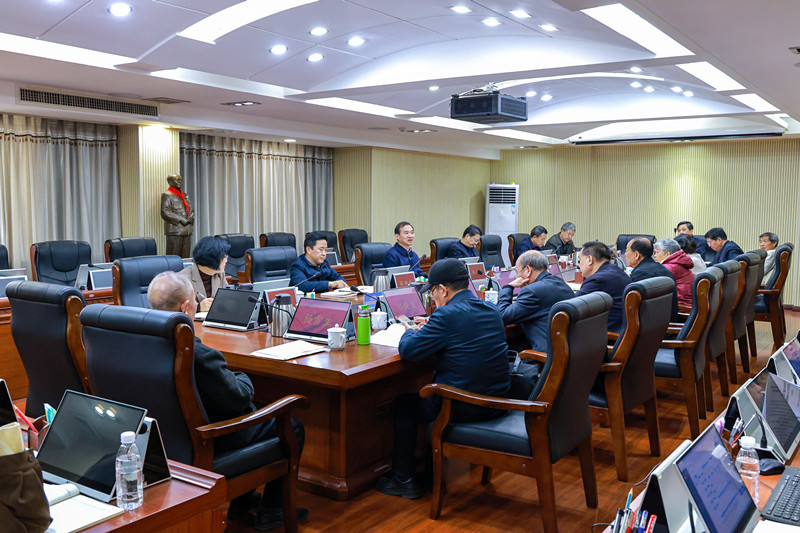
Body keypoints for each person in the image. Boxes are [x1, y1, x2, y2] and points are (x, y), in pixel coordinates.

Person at [147, 271, 307, 530]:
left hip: (163, 443)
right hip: (209, 443)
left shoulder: (142, 343)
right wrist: (242, 377)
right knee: (292, 426)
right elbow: (238, 397)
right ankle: (274, 511)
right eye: (195, 301)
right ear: (186, 307)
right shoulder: (196, 354)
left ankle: (241, 504)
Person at [375, 259, 509, 499]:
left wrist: (408, 331)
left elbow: (409, 351)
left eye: (432, 292)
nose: (432, 298)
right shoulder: (490, 309)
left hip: (462, 406)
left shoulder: (446, 315)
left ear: (443, 290)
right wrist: (432, 327)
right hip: (497, 400)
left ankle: (403, 480)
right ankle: (430, 471)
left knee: (404, 405)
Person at [497, 250, 573, 352]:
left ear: (528, 270)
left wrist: (508, 287)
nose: (518, 277)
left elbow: (502, 315)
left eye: (518, 272)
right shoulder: (559, 281)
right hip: (569, 350)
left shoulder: (531, 291)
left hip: (547, 356)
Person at [575, 241, 630, 332]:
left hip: (608, 334)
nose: (579, 265)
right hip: (621, 328)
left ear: (589, 259)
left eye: (580, 261)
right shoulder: (617, 271)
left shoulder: (597, 280)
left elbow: (571, 307)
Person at [626, 237, 678, 321]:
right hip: (665, 322)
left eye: (626, 251)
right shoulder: (662, 268)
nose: (625, 254)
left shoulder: (641, 274)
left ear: (636, 255)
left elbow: (634, 308)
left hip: (651, 326)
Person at [180, 236, 229, 312]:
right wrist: (198, 307)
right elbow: (176, 308)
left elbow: (227, 297)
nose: (226, 260)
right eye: (224, 257)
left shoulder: (219, 274)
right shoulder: (182, 279)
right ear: (212, 259)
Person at [160, 174, 194, 258]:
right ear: (170, 182)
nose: (180, 182)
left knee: (185, 258)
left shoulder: (185, 195)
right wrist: (181, 219)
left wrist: (191, 217)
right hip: (174, 231)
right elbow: (165, 212)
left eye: (180, 180)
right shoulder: (167, 195)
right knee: (173, 258)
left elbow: (191, 210)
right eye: (177, 180)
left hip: (187, 230)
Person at [654, 238, 694, 306]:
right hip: (688, 301)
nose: (655, 255)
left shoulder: (668, 268)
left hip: (682, 305)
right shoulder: (678, 262)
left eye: (657, 252)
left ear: (667, 253)